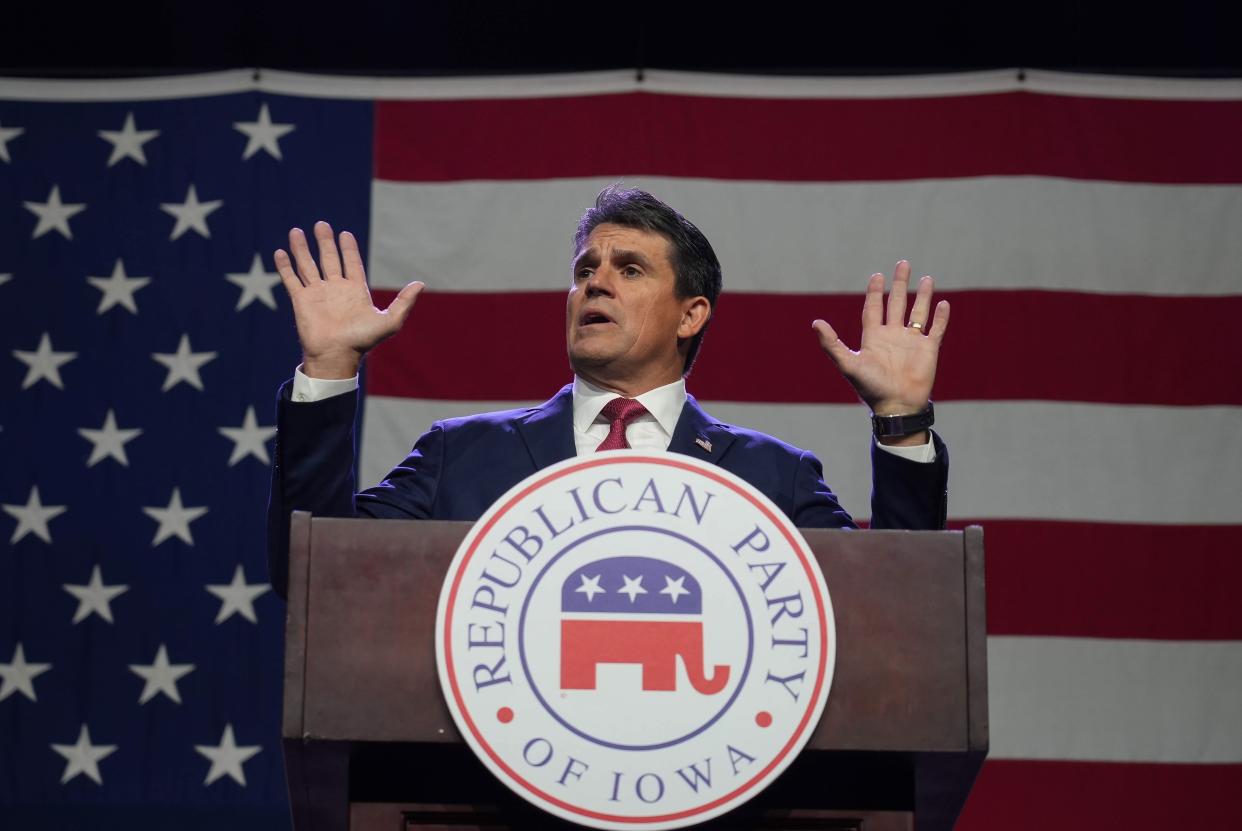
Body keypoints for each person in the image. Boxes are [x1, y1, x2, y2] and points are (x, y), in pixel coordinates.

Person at [266, 187, 950, 599]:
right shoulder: (461, 455)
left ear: (691, 313)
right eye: (585, 269)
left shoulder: (773, 479)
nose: (595, 282)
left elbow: (892, 610)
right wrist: (328, 371)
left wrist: (901, 423)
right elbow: (313, 575)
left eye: (629, 268)